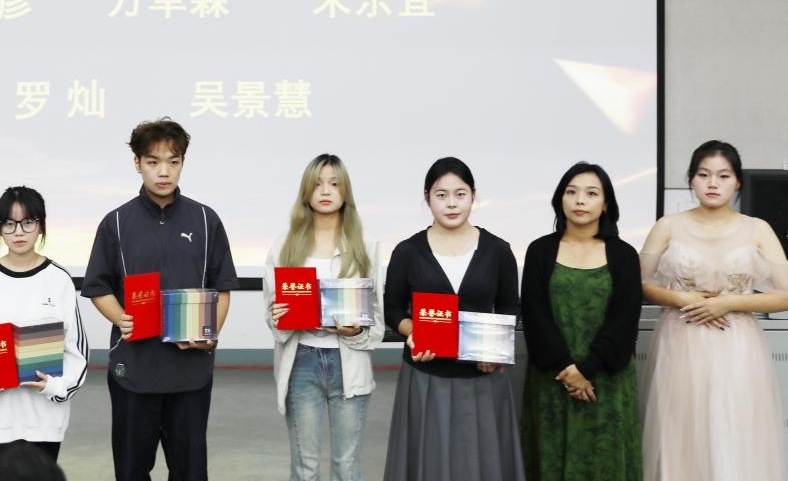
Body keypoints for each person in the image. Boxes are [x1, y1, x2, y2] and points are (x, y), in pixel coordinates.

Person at [82, 118, 239, 481]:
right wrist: (120, 317)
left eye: (173, 161)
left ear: (183, 163)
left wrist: (210, 332)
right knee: (131, 471)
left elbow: (222, 287)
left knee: (190, 472)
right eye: (153, 162)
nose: (164, 172)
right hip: (134, 369)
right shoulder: (116, 222)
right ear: (137, 163)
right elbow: (98, 285)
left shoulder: (206, 220)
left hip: (190, 372)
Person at [640, 140, 788, 480]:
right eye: (703, 174)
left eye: (723, 176)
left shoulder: (757, 228)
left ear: (737, 182)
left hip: (737, 343)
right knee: (681, 426)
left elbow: (786, 294)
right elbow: (639, 284)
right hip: (681, 338)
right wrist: (683, 299)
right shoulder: (668, 225)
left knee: (734, 426)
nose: (712, 183)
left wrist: (728, 302)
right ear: (691, 179)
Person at [382, 157, 524, 481]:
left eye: (460, 194)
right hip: (425, 378)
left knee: (481, 464)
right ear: (427, 197)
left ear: (473, 195)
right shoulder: (407, 251)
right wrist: (413, 331)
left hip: (483, 379)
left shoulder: (498, 250)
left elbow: (509, 307)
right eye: (441, 194)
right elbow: (393, 309)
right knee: (428, 465)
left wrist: (494, 351)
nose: (451, 203)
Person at [264, 154, 384, 481]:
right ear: (306, 191)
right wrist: (278, 316)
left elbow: (376, 317)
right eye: (317, 184)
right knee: (306, 466)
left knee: (347, 465)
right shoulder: (285, 245)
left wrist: (356, 330)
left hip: (349, 362)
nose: (326, 191)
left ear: (346, 191)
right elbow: (272, 312)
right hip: (302, 360)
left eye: (334, 184)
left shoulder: (365, 245)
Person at [520, 162, 641, 481]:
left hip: (606, 382)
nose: (580, 200)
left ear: (606, 204)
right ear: (560, 199)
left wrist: (587, 370)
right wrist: (567, 370)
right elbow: (534, 315)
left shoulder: (624, 255)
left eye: (591, 193)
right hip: (552, 379)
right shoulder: (540, 251)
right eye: (571, 192)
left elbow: (624, 321)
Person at [0, 186, 89, 459]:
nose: (19, 232)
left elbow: (76, 351)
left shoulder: (58, 280)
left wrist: (55, 387)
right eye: (9, 223)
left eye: (28, 222)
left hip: (44, 422)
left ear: (41, 226)